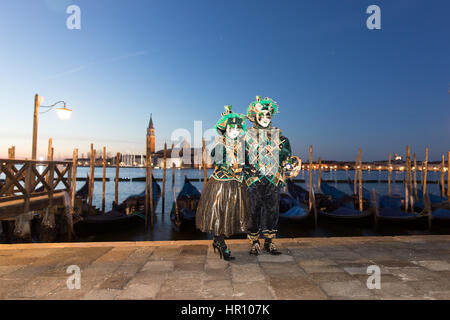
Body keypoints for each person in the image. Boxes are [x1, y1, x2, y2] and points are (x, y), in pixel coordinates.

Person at [196, 106, 251, 261]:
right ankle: (220, 242)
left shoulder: (241, 145)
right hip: (221, 184)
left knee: (231, 213)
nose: (235, 131)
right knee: (220, 212)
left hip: (237, 184)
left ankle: (218, 241)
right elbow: (215, 158)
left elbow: (246, 162)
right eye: (231, 128)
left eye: (237, 128)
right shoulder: (221, 144)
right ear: (225, 129)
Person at [244, 96, 292, 255]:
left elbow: (286, 156)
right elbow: (240, 157)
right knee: (253, 210)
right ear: (255, 117)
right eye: (261, 115)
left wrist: (288, 162)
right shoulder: (247, 136)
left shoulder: (282, 138)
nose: (265, 118)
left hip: (273, 179)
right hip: (254, 180)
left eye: (268, 115)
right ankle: (254, 241)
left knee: (272, 210)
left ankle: (269, 241)